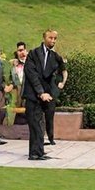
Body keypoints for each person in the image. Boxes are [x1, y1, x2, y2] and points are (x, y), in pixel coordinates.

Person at [23, 30, 62, 160]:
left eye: (55, 38)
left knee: (39, 124)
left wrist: (52, 94)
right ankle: (34, 153)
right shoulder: (33, 54)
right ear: (44, 38)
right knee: (35, 125)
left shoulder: (53, 57)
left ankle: (38, 151)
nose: (53, 40)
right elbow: (32, 75)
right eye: (50, 38)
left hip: (44, 97)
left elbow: (51, 77)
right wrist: (40, 93)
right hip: (33, 95)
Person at [43, 45, 68, 146]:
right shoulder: (41, 59)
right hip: (43, 88)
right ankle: (42, 136)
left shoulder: (57, 57)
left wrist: (63, 82)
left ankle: (50, 137)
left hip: (52, 88)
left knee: (50, 113)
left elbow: (64, 71)